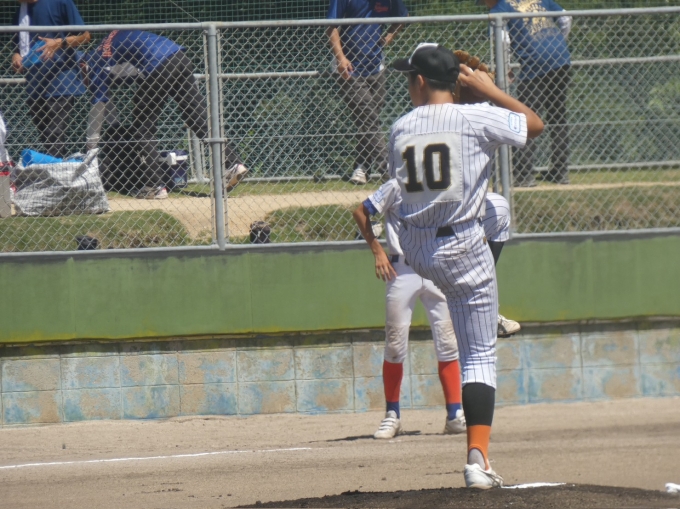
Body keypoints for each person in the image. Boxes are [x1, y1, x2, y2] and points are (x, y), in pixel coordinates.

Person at [390, 43, 543, 488]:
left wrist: (469, 99)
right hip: (461, 251)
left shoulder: (400, 127)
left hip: (415, 249)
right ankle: (478, 460)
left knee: (498, 208)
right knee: (478, 355)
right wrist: (489, 90)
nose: (408, 84)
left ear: (421, 81)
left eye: (409, 77)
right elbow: (534, 124)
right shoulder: (476, 117)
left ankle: (484, 306)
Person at [353, 181, 521, 439]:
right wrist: (377, 251)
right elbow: (361, 212)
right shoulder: (397, 184)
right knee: (395, 344)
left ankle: (454, 414)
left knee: (448, 342)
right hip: (402, 269)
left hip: (436, 265)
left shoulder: (444, 182)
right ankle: (392, 415)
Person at [84, 30, 247, 199]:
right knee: (196, 116)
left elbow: (98, 107)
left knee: (143, 127)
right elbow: (107, 102)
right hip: (177, 55)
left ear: (82, 64)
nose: (83, 83)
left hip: (157, 63)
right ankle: (232, 163)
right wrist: (115, 126)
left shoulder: (95, 65)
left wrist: (91, 148)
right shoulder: (104, 49)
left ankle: (154, 185)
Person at [478, 0, 572, 186]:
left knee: (524, 118)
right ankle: (560, 172)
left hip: (535, 64)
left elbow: (503, 40)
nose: (484, 5)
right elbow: (566, 18)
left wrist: (505, 66)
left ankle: (524, 175)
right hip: (561, 59)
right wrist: (557, 44)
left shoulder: (500, 8)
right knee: (558, 116)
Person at [326, 0, 408, 185]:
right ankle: (388, 169)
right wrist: (340, 58)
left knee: (369, 121)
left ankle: (362, 166)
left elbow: (403, 17)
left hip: (376, 67)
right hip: (350, 70)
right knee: (368, 118)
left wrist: (388, 37)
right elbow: (331, 27)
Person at [11, 0, 91, 158]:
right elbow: (17, 45)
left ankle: (54, 170)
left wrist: (59, 43)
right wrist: (16, 56)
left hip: (60, 82)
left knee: (54, 136)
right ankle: (58, 166)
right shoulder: (21, 10)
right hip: (34, 84)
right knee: (47, 139)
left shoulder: (60, 2)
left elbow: (86, 36)